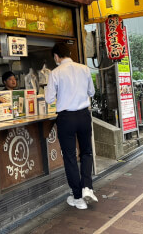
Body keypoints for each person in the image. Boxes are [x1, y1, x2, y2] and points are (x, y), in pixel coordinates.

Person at [45, 43, 96, 210]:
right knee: (87, 152)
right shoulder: (84, 69)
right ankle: (87, 187)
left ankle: (77, 197)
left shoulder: (55, 73)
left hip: (66, 118)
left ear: (56, 57)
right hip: (83, 114)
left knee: (70, 157)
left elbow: (48, 99)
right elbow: (92, 92)